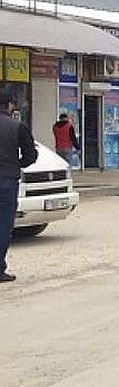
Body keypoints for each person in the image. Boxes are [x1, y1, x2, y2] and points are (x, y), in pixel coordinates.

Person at [0, 91, 38, 283]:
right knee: (4, 225)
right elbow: (31, 155)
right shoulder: (17, 127)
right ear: (9, 106)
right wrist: (18, 164)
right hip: (7, 180)